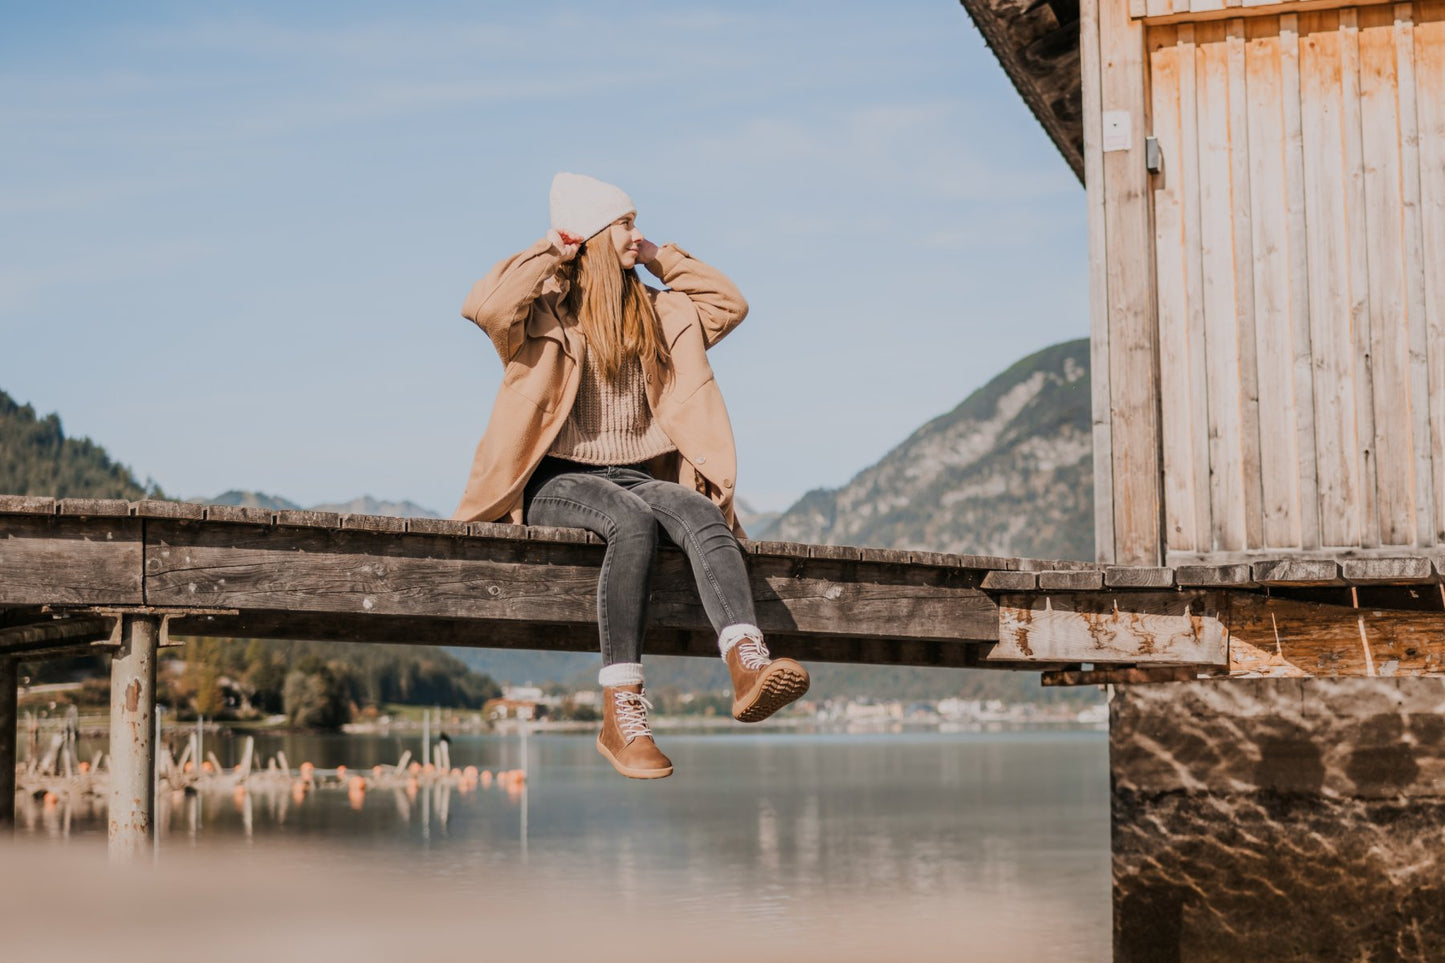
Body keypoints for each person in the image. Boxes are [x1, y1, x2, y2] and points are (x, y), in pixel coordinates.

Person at [453, 173, 810, 779]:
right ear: (590, 234)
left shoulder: (659, 312)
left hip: (637, 475)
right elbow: (485, 307)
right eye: (624, 223)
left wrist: (657, 256)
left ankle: (747, 663)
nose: (637, 233)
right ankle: (621, 709)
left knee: (700, 510)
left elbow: (730, 304)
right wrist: (553, 251)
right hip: (553, 480)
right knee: (632, 521)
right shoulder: (544, 311)